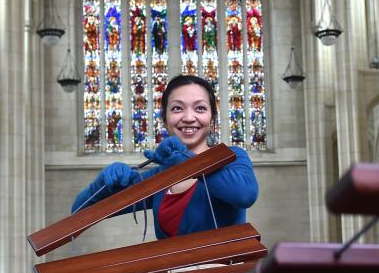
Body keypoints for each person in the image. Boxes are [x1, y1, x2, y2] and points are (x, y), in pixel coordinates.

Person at [71, 75, 258, 239]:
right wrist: (101, 185)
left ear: (212, 118)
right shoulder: (160, 177)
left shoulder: (231, 157)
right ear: (165, 118)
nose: (189, 117)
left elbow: (244, 195)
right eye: (177, 108)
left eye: (200, 108)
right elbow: (78, 216)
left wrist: (187, 162)